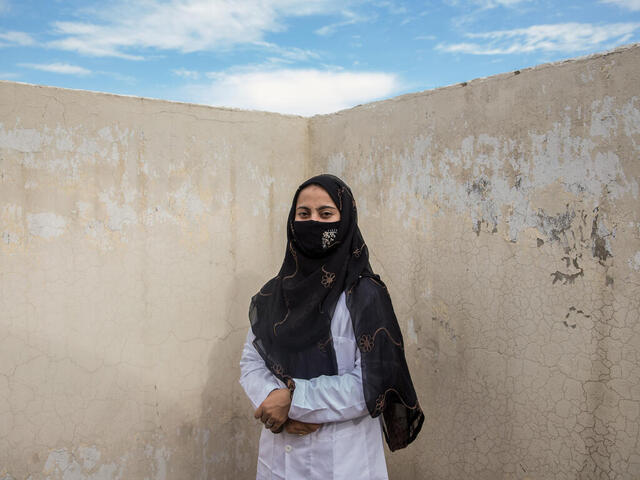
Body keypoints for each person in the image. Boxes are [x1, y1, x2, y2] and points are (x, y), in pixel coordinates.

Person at [239, 174, 424, 479]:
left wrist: (293, 401)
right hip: (279, 453)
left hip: (343, 460)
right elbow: (251, 361)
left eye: (325, 214)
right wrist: (272, 399)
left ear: (345, 221)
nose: (313, 222)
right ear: (292, 221)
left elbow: (372, 381)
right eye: (303, 214)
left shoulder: (365, 295)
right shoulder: (275, 294)